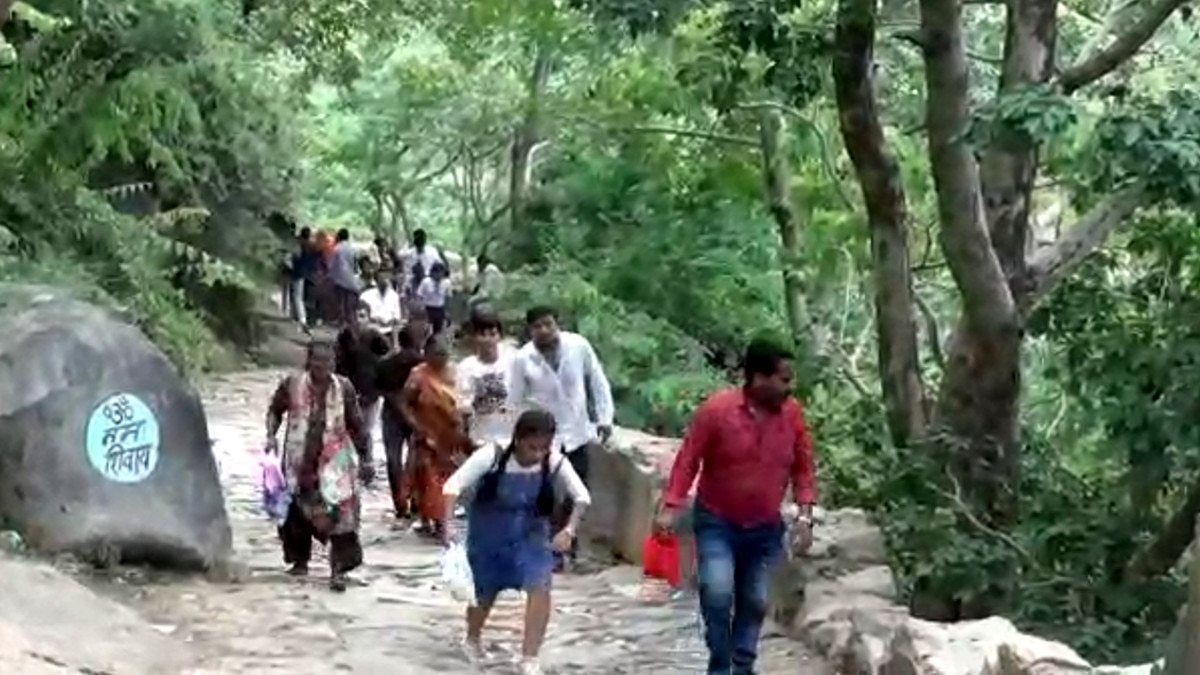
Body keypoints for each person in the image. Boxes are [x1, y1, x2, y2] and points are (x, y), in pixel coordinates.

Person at [655, 338, 817, 675]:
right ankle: (720, 662)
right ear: (758, 377)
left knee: (755, 601)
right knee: (717, 593)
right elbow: (688, 460)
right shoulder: (716, 411)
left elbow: (803, 467)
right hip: (718, 521)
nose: (790, 388)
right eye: (784, 380)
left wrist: (804, 514)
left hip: (764, 526)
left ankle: (742, 666)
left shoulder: (792, 414)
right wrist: (671, 504)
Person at [441, 409, 590, 675]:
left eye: (544, 448)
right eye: (532, 447)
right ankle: (472, 638)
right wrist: (448, 524)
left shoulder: (554, 462)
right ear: (518, 439)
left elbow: (582, 497)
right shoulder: (492, 456)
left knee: (540, 587)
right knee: (484, 593)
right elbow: (453, 486)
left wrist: (569, 529)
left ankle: (529, 657)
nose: (537, 455)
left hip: (531, 536)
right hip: (489, 537)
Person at [507, 305, 614, 569]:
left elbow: (597, 381)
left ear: (558, 324)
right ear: (530, 330)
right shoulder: (523, 359)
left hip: (577, 432)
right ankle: (550, 550)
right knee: (547, 495)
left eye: (548, 324)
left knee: (576, 494)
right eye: (537, 327)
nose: (543, 331)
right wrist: (517, 438)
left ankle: (568, 542)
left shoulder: (578, 346)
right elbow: (515, 401)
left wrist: (604, 417)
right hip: (544, 439)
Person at [265, 339, 375, 592]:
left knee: (341, 517)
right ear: (308, 361)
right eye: (317, 360)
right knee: (294, 512)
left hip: (334, 464)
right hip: (298, 460)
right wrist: (271, 435)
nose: (322, 365)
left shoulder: (344, 387)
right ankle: (300, 561)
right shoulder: (292, 384)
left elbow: (357, 425)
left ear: (334, 363)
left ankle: (337, 570)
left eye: (327, 361)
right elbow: (274, 411)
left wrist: (367, 457)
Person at [399, 333, 471, 537]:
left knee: (448, 478)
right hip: (426, 434)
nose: (441, 358)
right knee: (428, 479)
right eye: (436, 353)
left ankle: (440, 518)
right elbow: (405, 403)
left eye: (444, 353)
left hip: (450, 436)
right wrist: (414, 425)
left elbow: (465, 401)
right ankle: (435, 520)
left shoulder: (456, 373)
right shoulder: (418, 375)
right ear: (427, 354)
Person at [375, 308, 434, 520]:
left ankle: (401, 504)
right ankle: (416, 502)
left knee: (394, 460)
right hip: (414, 415)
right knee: (417, 458)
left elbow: (382, 391)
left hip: (393, 415)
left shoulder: (386, 363)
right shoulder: (422, 364)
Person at [456, 310, 514, 448]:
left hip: (511, 437)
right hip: (481, 439)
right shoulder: (466, 367)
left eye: (492, 334)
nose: (488, 340)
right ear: (474, 337)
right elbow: (462, 407)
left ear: (499, 336)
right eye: (482, 335)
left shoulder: (513, 360)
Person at [335, 302, 391, 441]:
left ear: (369, 318)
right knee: (346, 432)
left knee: (365, 431)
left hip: (369, 392)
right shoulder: (344, 337)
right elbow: (337, 364)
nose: (358, 320)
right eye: (354, 316)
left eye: (362, 316)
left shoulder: (375, 337)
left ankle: (366, 459)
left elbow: (387, 356)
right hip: (347, 392)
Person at [289, 226, 321, 329]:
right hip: (307, 274)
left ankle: (301, 318)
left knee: (297, 297)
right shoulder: (311, 246)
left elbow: (294, 258)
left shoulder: (299, 245)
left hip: (297, 272)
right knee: (301, 296)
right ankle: (299, 317)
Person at [359, 269, 404, 341]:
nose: (385, 281)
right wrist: (375, 319)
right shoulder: (366, 296)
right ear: (377, 280)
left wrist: (391, 321)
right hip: (372, 331)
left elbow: (397, 317)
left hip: (390, 331)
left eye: (387, 278)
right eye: (382, 279)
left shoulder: (394, 296)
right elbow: (361, 317)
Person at [329, 228, 361, 326]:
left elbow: (332, 265)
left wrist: (331, 275)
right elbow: (356, 265)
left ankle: (341, 322)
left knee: (340, 302)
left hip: (339, 279)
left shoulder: (336, 248)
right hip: (350, 279)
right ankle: (349, 322)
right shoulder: (353, 248)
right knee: (349, 304)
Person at [416, 262, 451, 335]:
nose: (439, 276)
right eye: (437, 273)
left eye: (441, 274)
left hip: (440, 308)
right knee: (427, 330)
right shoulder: (426, 282)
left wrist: (447, 311)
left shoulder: (446, 282)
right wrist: (420, 306)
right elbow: (419, 295)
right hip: (428, 308)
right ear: (433, 273)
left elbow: (448, 297)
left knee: (438, 330)